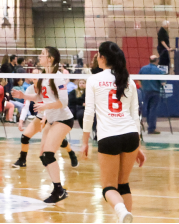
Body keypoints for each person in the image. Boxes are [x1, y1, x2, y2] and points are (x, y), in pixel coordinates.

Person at [80, 41, 146, 224]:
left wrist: (85, 141)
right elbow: (135, 117)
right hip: (131, 136)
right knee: (123, 184)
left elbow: (88, 113)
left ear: (102, 57)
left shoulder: (93, 79)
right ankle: (124, 216)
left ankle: (122, 211)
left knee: (108, 188)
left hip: (109, 137)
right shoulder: (128, 80)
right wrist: (137, 146)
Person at [12, 46, 76, 204]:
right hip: (52, 119)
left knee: (48, 154)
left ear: (51, 58)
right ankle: (59, 189)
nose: (39, 56)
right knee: (43, 156)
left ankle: (58, 190)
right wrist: (23, 95)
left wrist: (45, 107)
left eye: (42, 54)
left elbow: (64, 102)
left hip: (63, 119)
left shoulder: (57, 77)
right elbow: (39, 96)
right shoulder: (43, 76)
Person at [138, 55, 165, 134]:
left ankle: (142, 127)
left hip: (145, 92)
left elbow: (139, 80)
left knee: (144, 109)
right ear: (157, 61)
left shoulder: (143, 69)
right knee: (153, 110)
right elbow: (163, 83)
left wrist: (143, 88)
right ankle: (151, 128)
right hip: (155, 92)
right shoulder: (158, 70)